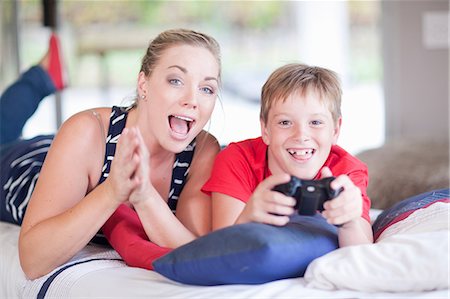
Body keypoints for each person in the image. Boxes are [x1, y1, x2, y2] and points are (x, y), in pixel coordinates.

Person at [1, 28, 222, 279]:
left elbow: (196, 253)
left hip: (67, 153)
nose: (192, 99)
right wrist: (112, 191)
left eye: (207, 89)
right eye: (176, 80)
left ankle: (44, 75)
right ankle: (39, 78)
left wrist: (144, 196)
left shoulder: (203, 151)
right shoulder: (86, 131)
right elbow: (32, 262)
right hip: (23, 165)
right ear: (143, 84)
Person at [202, 63, 373, 247]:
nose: (301, 136)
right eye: (285, 122)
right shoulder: (237, 159)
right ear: (265, 129)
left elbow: (363, 258)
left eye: (315, 122)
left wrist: (349, 223)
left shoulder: (347, 172)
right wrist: (247, 217)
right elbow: (221, 252)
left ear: (336, 130)